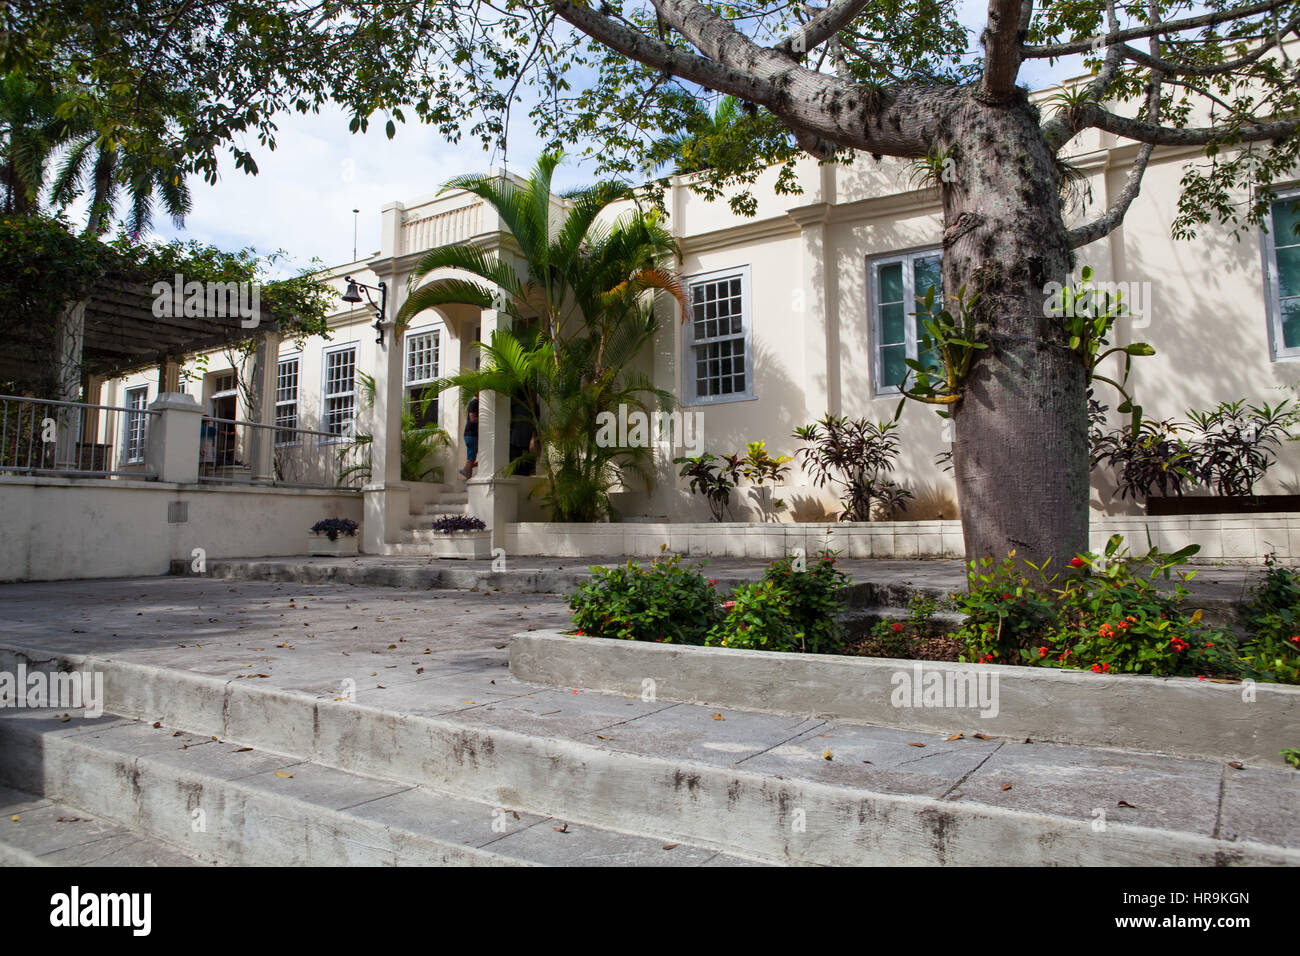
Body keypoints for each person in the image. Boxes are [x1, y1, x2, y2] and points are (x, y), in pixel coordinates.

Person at [460, 394, 479, 479]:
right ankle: (468, 481)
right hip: (471, 435)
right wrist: (484, 417)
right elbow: (472, 418)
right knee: (471, 460)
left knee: (473, 458)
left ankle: (465, 469)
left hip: (473, 435)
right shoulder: (474, 403)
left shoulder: (476, 402)